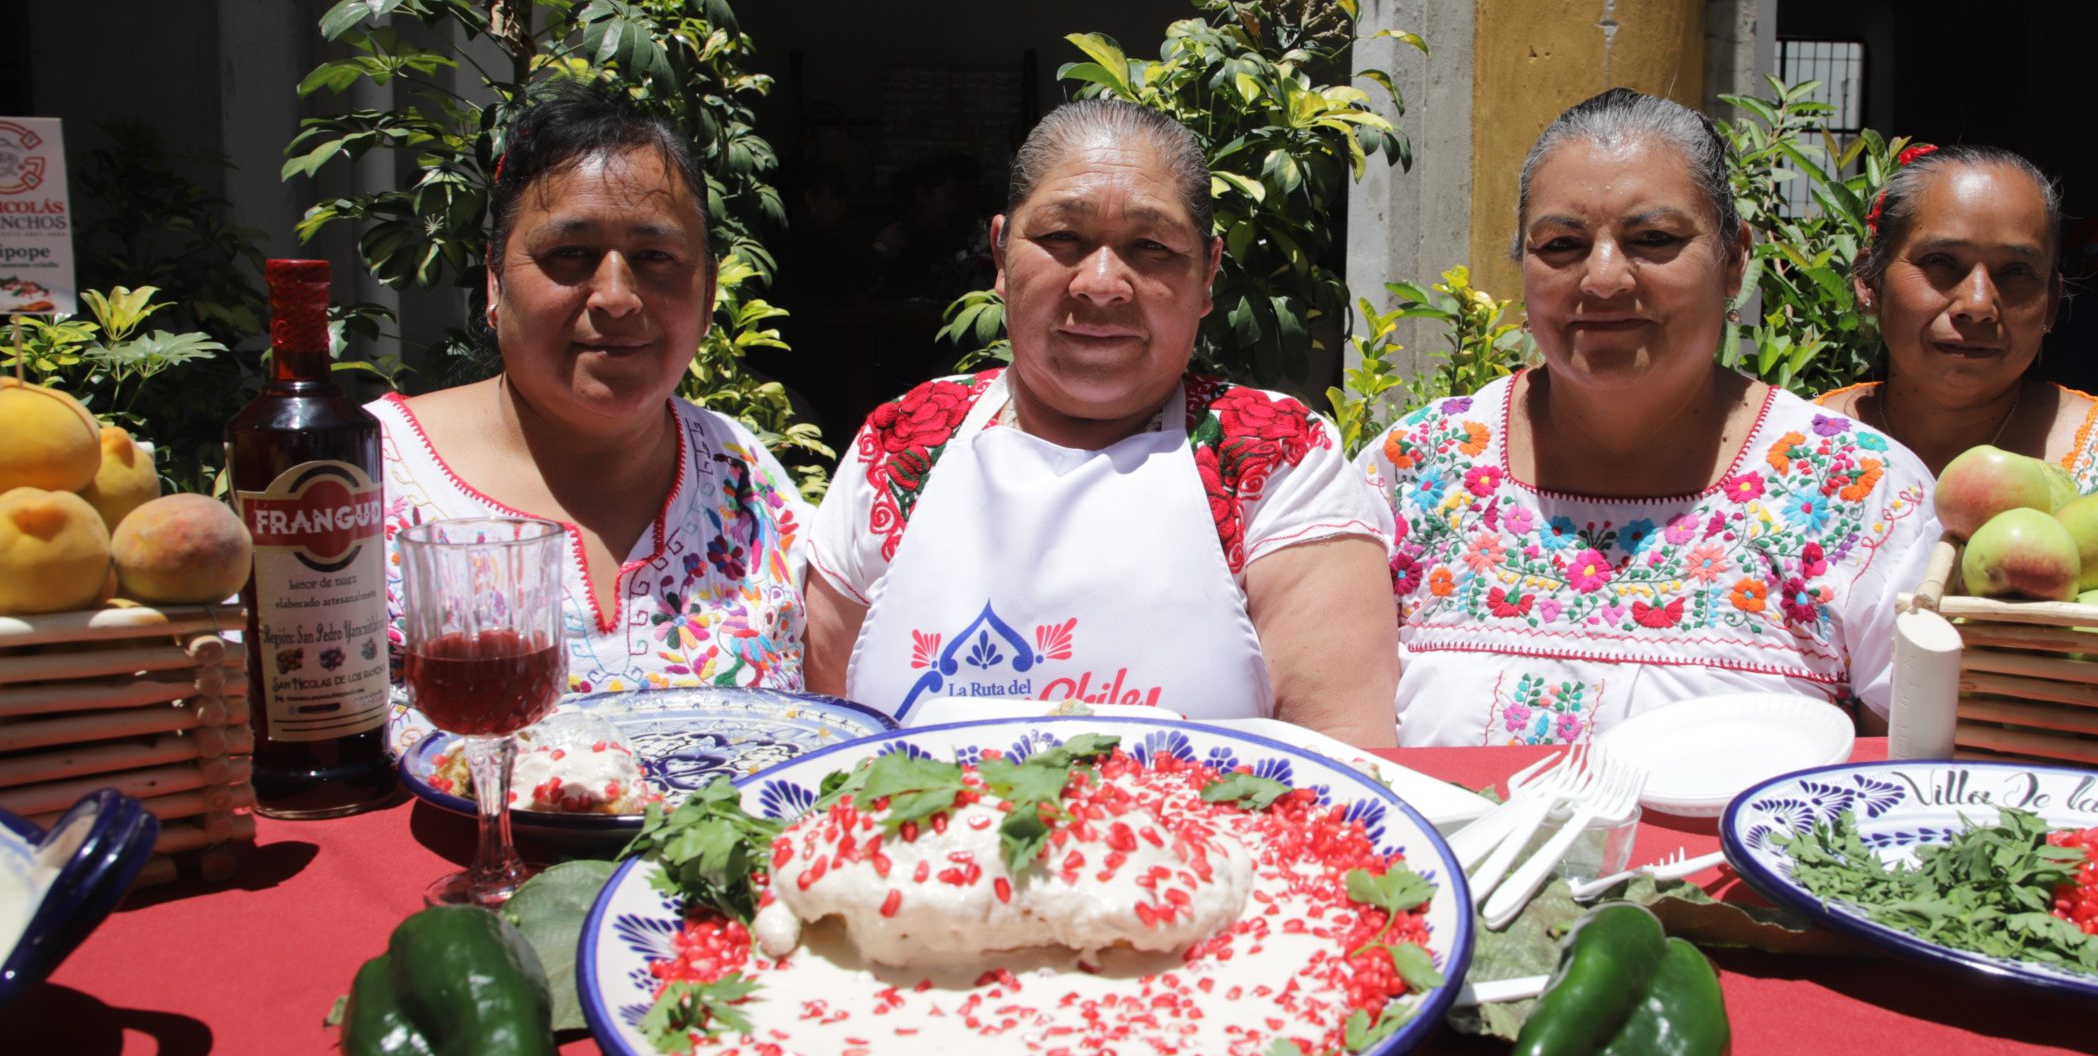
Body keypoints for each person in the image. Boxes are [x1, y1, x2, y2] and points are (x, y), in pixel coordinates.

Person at [801, 99, 1397, 743]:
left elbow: (1343, 759)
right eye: (1062, 238)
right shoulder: (904, 442)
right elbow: (822, 734)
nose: (1103, 283)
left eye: (1152, 246)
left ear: (1208, 276)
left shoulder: (1276, 457)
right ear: (1001, 255)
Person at [1358, 88, 1938, 748]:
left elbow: (1908, 773)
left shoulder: (1858, 491)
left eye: (1653, 239)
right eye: (1560, 244)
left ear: (1734, 258)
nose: (1603, 279)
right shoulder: (1417, 469)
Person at [375, 81, 815, 753]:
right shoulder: (363, 481)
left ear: (706, 294)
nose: (615, 296)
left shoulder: (744, 475)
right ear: (494, 284)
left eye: (655, 258)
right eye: (570, 255)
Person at [1815, 146, 2098, 491]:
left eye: (2016, 271)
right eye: (1940, 262)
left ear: (2051, 303)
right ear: (1869, 283)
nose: (1977, 305)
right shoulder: (1789, 452)